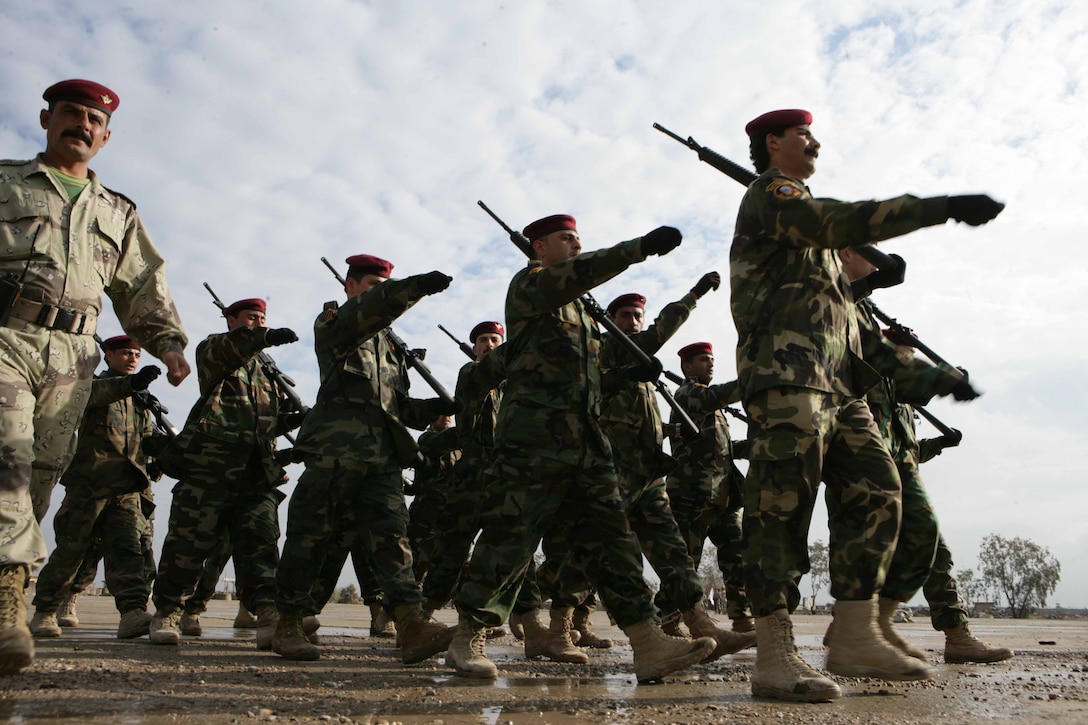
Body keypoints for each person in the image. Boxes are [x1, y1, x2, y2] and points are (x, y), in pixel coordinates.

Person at [730, 108, 1003, 701]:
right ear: (773, 143)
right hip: (787, 377)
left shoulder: (824, 259)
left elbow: (860, 342)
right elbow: (833, 219)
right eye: (803, 135)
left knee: (880, 488)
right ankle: (774, 653)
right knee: (782, 505)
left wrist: (935, 382)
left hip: (840, 388)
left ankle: (854, 632)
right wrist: (939, 206)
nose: (815, 142)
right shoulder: (773, 198)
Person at [447, 213, 714, 682]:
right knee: (513, 536)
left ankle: (646, 639)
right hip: (535, 437)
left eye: (578, 239)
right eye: (566, 239)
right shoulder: (529, 286)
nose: (575, 245)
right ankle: (468, 633)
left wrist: (631, 369)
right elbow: (580, 272)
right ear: (540, 247)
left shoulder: (582, 314)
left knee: (612, 537)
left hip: (587, 440)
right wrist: (638, 248)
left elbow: (597, 366)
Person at [0, 79, 190, 676]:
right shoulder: (7, 182)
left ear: (105, 136)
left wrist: (171, 345)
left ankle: (9, 583)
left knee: (39, 476)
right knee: (6, 458)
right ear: (45, 119)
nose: (81, 125)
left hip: (74, 354)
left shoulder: (118, 211)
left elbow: (141, 286)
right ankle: (7, 610)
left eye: (92, 120)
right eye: (70, 114)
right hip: (6, 335)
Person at [546, 284, 755, 663]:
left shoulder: (640, 366)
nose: (633, 322)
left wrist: (665, 431)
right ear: (610, 322)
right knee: (591, 547)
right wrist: (693, 295)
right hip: (610, 473)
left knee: (673, 552)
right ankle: (559, 627)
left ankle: (701, 625)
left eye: (637, 316)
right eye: (624, 316)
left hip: (648, 474)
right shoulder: (605, 351)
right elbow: (656, 336)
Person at [272, 254, 457, 664]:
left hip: (382, 460)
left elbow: (398, 406)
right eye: (372, 285)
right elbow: (369, 313)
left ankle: (410, 626)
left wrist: (433, 408)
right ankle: (287, 623)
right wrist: (412, 287)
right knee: (309, 539)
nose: (378, 292)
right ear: (350, 286)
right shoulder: (333, 324)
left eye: (383, 285)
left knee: (394, 542)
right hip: (335, 455)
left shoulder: (391, 348)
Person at [148, 298, 300, 648]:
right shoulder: (214, 350)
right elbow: (233, 348)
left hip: (255, 472)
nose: (258, 323)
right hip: (210, 467)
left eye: (263, 318)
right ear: (231, 320)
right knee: (187, 545)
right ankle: (167, 612)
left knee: (261, 544)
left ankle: (267, 616)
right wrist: (262, 337)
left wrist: (292, 419)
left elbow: (267, 423)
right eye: (251, 318)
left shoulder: (267, 373)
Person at [29, 335, 163, 639]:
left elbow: (147, 438)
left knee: (129, 550)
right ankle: (46, 610)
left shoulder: (139, 399)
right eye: (126, 353)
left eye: (136, 355)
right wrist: (132, 384)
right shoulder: (91, 386)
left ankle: (132, 613)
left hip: (128, 487)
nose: (132, 359)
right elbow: (96, 395)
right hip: (91, 484)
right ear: (109, 355)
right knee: (72, 550)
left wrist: (163, 450)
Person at [664, 342, 753, 632]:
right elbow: (717, 394)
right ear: (687, 367)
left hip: (723, 497)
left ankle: (741, 617)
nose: (711, 364)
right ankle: (668, 619)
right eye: (704, 360)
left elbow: (720, 448)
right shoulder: (689, 394)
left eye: (712, 359)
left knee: (737, 553)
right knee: (686, 562)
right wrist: (758, 378)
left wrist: (751, 447)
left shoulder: (711, 407)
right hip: (692, 495)